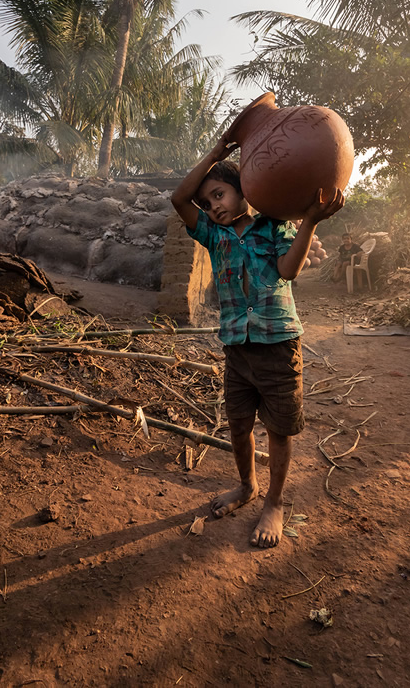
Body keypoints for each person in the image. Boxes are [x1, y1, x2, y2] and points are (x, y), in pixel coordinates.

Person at [171, 135, 345, 548]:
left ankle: (275, 501)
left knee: (279, 431)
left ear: (244, 191)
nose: (213, 206)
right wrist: (216, 152)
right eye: (208, 202)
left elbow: (287, 270)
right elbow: (179, 200)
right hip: (237, 347)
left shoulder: (276, 228)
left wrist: (310, 222)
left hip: (279, 344)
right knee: (238, 425)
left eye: (219, 194)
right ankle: (247, 486)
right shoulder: (214, 236)